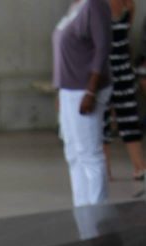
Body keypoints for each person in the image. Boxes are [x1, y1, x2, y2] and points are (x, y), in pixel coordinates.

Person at [53, 0, 113, 205]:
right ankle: (82, 209)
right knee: (73, 153)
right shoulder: (75, 6)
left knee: (90, 155)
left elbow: (103, 47)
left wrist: (91, 91)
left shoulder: (95, 5)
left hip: (84, 90)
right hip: (68, 90)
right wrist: (60, 92)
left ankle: (98, 214)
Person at [102, 0, 146, 180]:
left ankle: (139, 167)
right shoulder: (94, 5)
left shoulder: (129, 5)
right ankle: (105, 171)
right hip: (101, 71)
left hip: (123, 69)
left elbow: (124, 35)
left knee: (129, 117)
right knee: (102, 121)